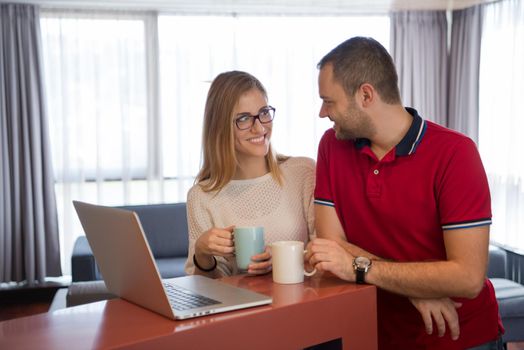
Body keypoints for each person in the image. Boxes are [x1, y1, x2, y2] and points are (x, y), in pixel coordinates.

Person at [307, 37, 504, 349]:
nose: (322, 112)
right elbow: (332, 247)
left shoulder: (455, 153)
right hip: (377, 334)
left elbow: (467, 278)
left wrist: (363, 266)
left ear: (365, 95)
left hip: (459, 336)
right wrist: (415, 289)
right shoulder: (332, 146)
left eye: (329, 101)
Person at [185, 70, 315, 278]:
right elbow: (208, 287)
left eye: (264, 113)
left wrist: (285, 258)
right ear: (219, 128)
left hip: (302, 302)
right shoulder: (201, 197)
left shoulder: (303, 173)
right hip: (243, 308)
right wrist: (201, 253)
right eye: (244, 118)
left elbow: (326, 253)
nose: (260, 127)